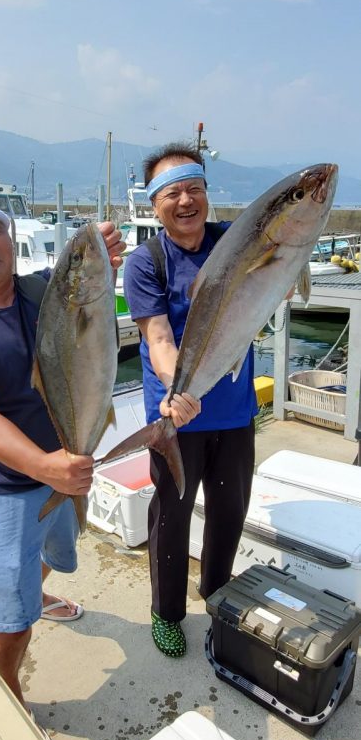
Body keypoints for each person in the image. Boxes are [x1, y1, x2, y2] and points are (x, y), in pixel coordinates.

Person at [0, 195, 125, 732]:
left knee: (54, 553)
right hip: (6, 489)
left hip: (62, 464)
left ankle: (33, 591)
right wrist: (47, 467)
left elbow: (87, 273)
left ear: (11, 239)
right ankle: (7, 706)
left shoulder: (44, 290)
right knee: (8, 625)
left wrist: (104, 250)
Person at [123, 142, 258, 658]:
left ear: (206, 193)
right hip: (176, 415)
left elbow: (272, 282)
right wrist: (177, 392)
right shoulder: (146, 262)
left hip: (236, 410)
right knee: (172, 516)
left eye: (194, 189)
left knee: (229, 509)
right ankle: (167, 612)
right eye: (172, 192)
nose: (186, 201)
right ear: (155, 203)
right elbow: (158, 338)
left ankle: (217, 591)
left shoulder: (233, 244)